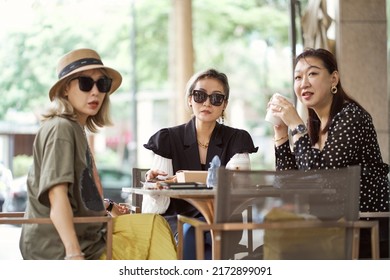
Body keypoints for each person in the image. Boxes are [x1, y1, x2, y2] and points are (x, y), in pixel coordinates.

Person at [20, 48, 177, 260]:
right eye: (85, 83)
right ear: (66, 89)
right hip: (61, 247)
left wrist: (109, 206)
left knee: (154, 223)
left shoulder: (76, 129)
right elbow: (56, 196)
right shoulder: (61, 129)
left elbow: (80, 195)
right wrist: (74, 255)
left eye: (102, 84)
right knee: (154, 230)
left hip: (91, 234)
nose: (95, 92)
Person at [268, 48, 390, 259]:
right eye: (298, 77)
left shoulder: (350, 116)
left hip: (365, 230)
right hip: (332, 227)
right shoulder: (314, 125)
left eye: (312, 73)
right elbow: (288, 183)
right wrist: (281, 133)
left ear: (334, 78)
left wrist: (296, 126)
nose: (303, 82)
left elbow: (323, 178)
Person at [143, 68, 258, 259]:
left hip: (222, 219)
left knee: (209, 235)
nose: (206, 103)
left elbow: (239, 188)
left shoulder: (237, 139)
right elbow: (156, 206)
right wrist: (155, 187)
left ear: (224, 104)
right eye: (199, 95)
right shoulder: (168, 138)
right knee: (193, 235)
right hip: (178, 220)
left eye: (216, 98)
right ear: (190, 99)